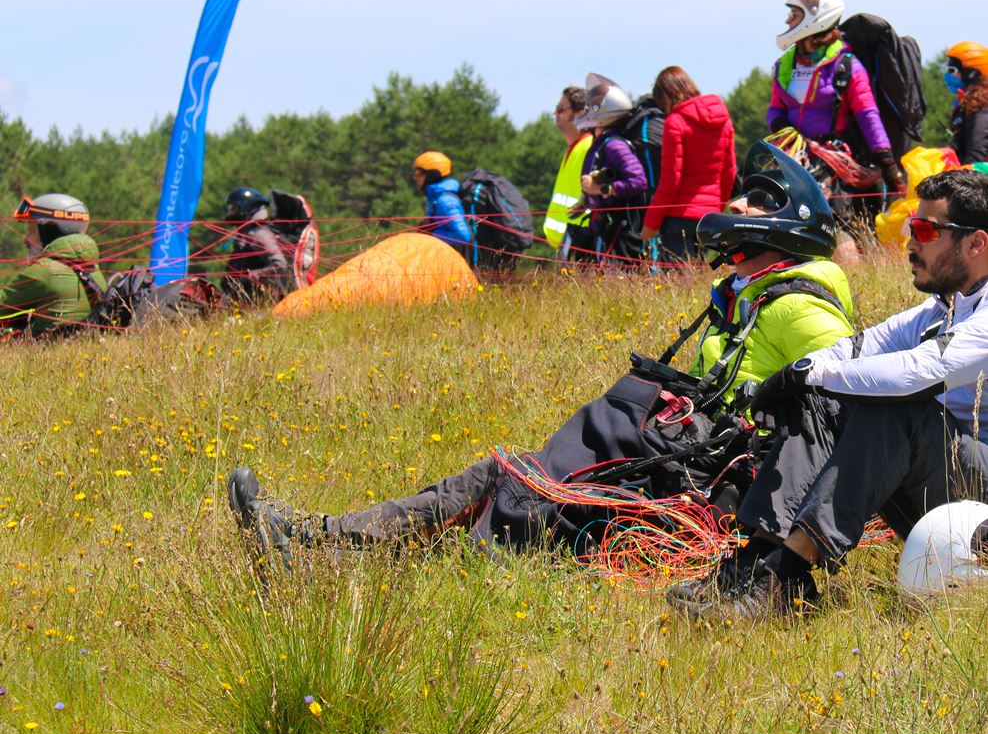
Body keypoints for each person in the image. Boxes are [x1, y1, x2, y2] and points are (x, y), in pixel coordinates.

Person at [228, 144, 855, 569]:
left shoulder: (802, 304)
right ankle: (319, 541)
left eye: (757, 201)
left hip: (702, 483)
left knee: (514, 485)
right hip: (671, 456)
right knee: (503, 476)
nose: (738, 208)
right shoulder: (747, 296)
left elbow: (844, 408)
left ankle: (318, 545)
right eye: (741, 197)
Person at [670, 168, 988, 618]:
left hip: (982, 502)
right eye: (910, 228)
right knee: (824, 397)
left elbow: (919, 371)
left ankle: (785, 572)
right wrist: (797, 378)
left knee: (892, 406)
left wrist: (807, 374)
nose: (910, 242)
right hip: (955, 488)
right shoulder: (944, 305)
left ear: (976, 244)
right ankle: (754, 565)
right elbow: (859, 346)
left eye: (924, 230)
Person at [767, 0, 906, 238]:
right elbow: (775, 109)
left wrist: (887, 161)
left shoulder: (846, 66)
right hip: (795, 158)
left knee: (837, 228)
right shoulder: (785, 65)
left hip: (836, 163)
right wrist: (782, 128)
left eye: (794, 15)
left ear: (815, 19)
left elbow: (868, 115)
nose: (788, 21)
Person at [641, 66, 736, 261]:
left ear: (666, 96)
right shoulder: (723, 119)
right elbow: (729, 172)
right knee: (700, 278)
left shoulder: (675, 121)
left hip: (679, 217)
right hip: (708, 217)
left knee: (677, 284)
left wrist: (651, 222)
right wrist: (717, 208)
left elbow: (671, 179)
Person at [0, 193, 106, 338]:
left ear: (49, 231)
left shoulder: (43, 272)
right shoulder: (94, 270)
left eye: (31, 231)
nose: (26, 240)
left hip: (40, 355)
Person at [573, 74, 648, 265]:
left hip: (620, 232)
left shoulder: (614, 145)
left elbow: (638, 182)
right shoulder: (601, 142)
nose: (586, 110)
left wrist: (600, 190)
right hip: (605, 228)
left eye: (592, 106)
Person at [543, 86, 594, 260]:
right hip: (565, 243)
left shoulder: (588, 147)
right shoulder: (574, 148)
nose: (555, 114)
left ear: (579, 113)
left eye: (561, 109)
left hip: (579, 242)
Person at [220, 187, 292, 305]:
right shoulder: (247, 233)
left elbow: (279, 265)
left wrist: (250, 277)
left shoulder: (259, 233)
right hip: (247, 301)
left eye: (233, 208)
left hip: (265, 303)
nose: (230, 212)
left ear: (245, 207)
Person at [412, 151, 473, 255]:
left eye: (419, 174)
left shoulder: (445, 200)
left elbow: (463, 235)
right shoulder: (436, 197)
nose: (415, 177)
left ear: (432, 175)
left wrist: (432, 234)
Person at [944, 42, 988, 166]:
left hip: (977, 178)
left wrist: (964, 179)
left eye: (951, 70)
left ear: (971, 72)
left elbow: (977, 151)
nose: (948, 75)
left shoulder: (983, 105)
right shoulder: (966, 103)